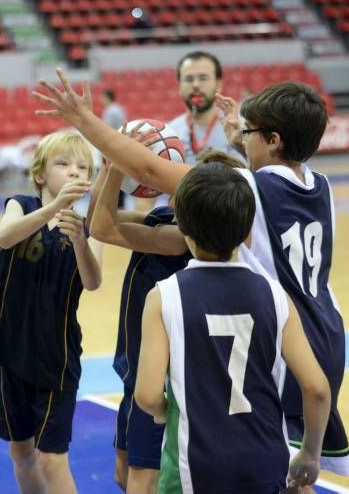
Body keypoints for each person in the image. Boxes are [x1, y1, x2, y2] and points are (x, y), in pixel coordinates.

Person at [33, 71, 349, 476]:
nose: (242, 138)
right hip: (327, 333)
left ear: (273, 140)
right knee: (293, 468)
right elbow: (276, 168)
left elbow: (148, 170)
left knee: (281, 470)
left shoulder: (247, 188)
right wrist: (244, 138)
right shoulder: (319, 186)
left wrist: (84, 121)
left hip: (286, 340)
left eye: (250, 133)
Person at [134, 162, 331, 493]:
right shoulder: (275, 294)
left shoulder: (164, 295)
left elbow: (146, 394)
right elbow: (317, 388)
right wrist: (310, 453)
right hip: (265, 456)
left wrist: (167, 411)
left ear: (182, 226)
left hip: (195, 463)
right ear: (247, 232)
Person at [91, 145, 244, 493]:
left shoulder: (178, 239)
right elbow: (97, 221)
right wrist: (107, 168)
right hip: (134, 365)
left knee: (143, 482)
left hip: (159, 376)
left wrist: (116, 168)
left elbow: (102, 228)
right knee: (124, 474)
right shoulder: (162, 217)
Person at [0, 130, 103, 494]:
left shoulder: (88, 225)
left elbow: (93, 281)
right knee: (21, 451)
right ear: (40, 174)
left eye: (83, 168)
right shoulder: (20, 205)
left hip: (57, 354)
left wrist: (80, 239)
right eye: (63, 164)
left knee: (51, 458)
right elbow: (5, 237)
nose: (74, 172)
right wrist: (52, 209)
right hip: (13, 346)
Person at [167, 51, 245, 165]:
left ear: (218, 84)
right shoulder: (169, 134)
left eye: (203, 78)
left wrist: (243, 146)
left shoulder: (239, 129)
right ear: (179, 86)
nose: (196, 85)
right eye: (189, 79)